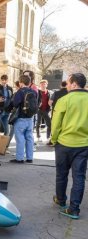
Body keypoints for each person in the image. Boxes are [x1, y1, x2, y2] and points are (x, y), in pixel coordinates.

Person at [51, 73, 88, 220]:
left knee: (61, 174)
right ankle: (74, 209)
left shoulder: (64, 100)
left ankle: (60, 199)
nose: (66, 86)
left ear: (73, 84)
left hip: (64, 143)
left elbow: (56, 123)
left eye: (67, 83)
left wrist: (54, 139)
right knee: (79, 176)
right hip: (84, 144)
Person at [7, 75, 36, 163]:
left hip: (21, 118)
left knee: (20, 138)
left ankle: (19, 158)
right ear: (29, 82)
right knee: (29, 138)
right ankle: (29, 158)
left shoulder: (20, 92)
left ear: (21, 83)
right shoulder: (34, 91)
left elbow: (15, 103)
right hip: (30, 118)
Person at [36, 79, 52, 144]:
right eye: (42, 84)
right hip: (39, 110)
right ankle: (38, 137)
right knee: (38, 124)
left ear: (46, 85)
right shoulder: (38, 92)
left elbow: (50, 101)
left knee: (49, 124)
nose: (43, 85)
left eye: (44, 84)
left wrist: (50, 108)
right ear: (40, 85)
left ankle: (48, 137)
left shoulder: (49, 92)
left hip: (46, 110)